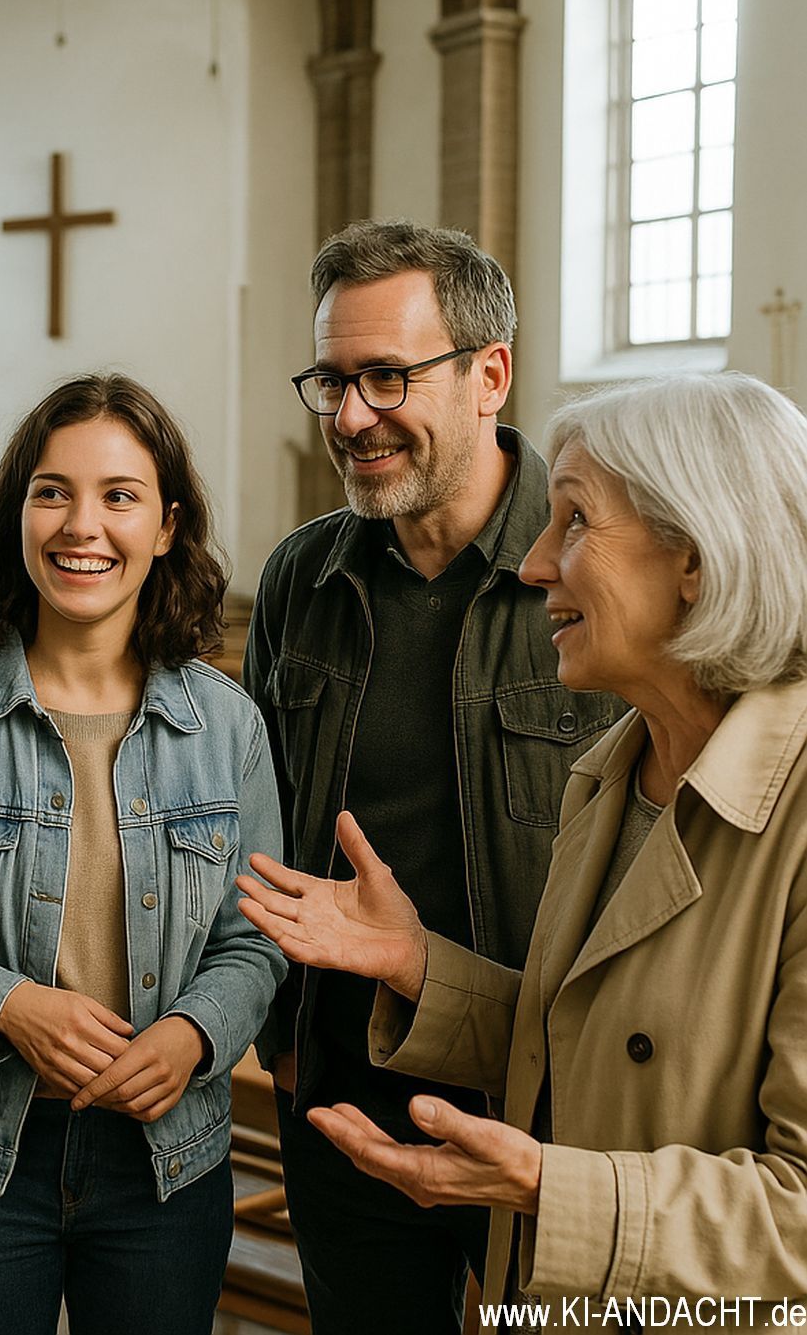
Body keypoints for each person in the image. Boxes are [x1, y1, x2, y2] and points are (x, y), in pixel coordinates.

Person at [240, 372, 807, 1328]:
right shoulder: (612, 773)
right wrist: (416, 963)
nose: (535, 564)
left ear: (695, 557)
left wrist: (547, 1184)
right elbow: (593, 1048)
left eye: (575, 521)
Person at [243, 217, 624, 1332]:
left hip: (548, 1113)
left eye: (387, 377)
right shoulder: (300, 577)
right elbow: (262, 822)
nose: (350, 417)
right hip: (343, 1102)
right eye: (332, 381)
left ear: (488, 375)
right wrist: (284, 1042)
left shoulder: (596, 568)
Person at [0, 373, 286, 1335]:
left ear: (165, 526)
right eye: (52, 491)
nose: (82, 526)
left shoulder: (226, 726)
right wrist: (5, 1004)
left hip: (164, 1156)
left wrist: (192, 1033)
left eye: (119, 495)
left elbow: (255, 938)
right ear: (17, 512)